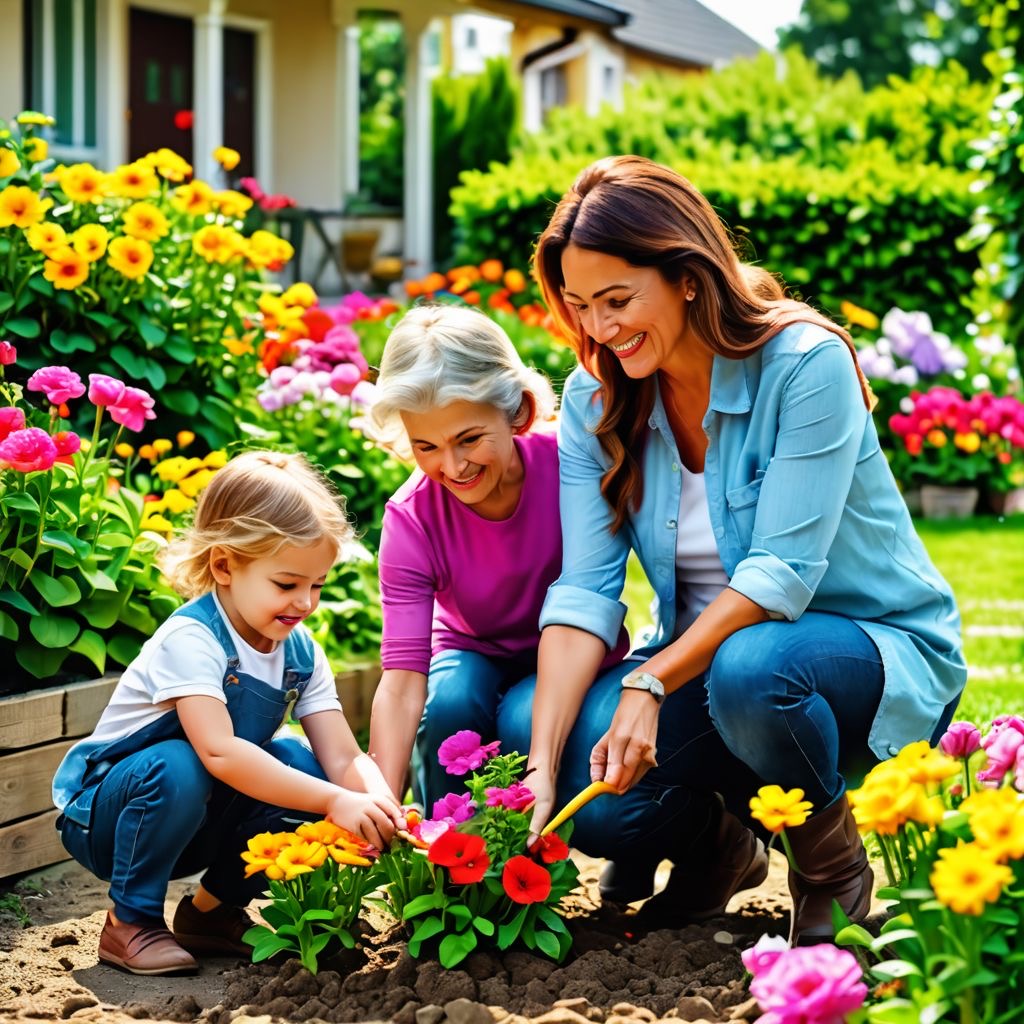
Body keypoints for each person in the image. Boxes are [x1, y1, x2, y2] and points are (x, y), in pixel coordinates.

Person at [504, 155, 966, 944]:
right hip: (708, 672)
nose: (601, 330)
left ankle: (830, 872)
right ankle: (719, 847)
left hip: (867, 654)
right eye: (581, 306)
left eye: (618, 300)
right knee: (530, 722)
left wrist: (649, 683)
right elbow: (585, 590)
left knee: (753, 667)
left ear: (687, 276)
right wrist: (541, 765)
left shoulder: (804, 365)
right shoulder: (594, 398)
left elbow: (779, 577)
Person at [52, 450, 404, 975]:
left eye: (317, 585)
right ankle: (130, 921)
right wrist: (336, 799)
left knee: (301, 763)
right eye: (287, 584)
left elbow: (342, 753)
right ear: (224, 565)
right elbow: (218, 751)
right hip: (112, 818)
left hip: (202, 817)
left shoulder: (300, 652)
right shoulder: (192, 638)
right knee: (180, 760)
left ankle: (210, 915)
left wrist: (377, 802)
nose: (305, 602)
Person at [367, 305, 628, 808]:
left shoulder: (570, 469)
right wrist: (378, 797)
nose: (453, 465)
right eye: (427, 446)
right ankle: (446, 857)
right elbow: (402, 680)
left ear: (518, 413)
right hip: (472, 653)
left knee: (523, 719)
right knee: (448, 705)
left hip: (579, 654)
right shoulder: (412, 518)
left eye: (469, 439)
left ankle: (538, 856)